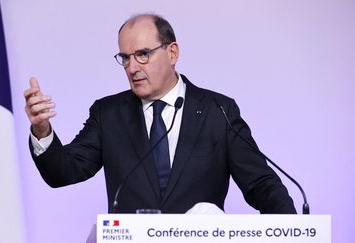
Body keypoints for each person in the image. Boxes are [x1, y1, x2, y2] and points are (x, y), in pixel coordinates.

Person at [24, 13, 296, 214]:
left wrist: (294, 230)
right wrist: (42, 131)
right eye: (125, 57)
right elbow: (64, 172)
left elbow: (261, 184)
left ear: (172, 52)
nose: (132, 67)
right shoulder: (108, 114)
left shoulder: (219, 111)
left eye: (142, 54)